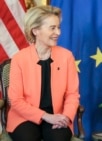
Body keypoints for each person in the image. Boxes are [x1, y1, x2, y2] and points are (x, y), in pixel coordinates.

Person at [7, 5, 80, 141]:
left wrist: (66, 116)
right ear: (35, 31)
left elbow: (72, 94)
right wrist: (46, 116)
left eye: (58, 27)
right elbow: (16, 100)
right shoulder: (19, 59)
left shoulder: (67, 57)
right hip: (24, 118)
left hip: (57, 115)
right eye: (52, 28)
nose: (58, 32)